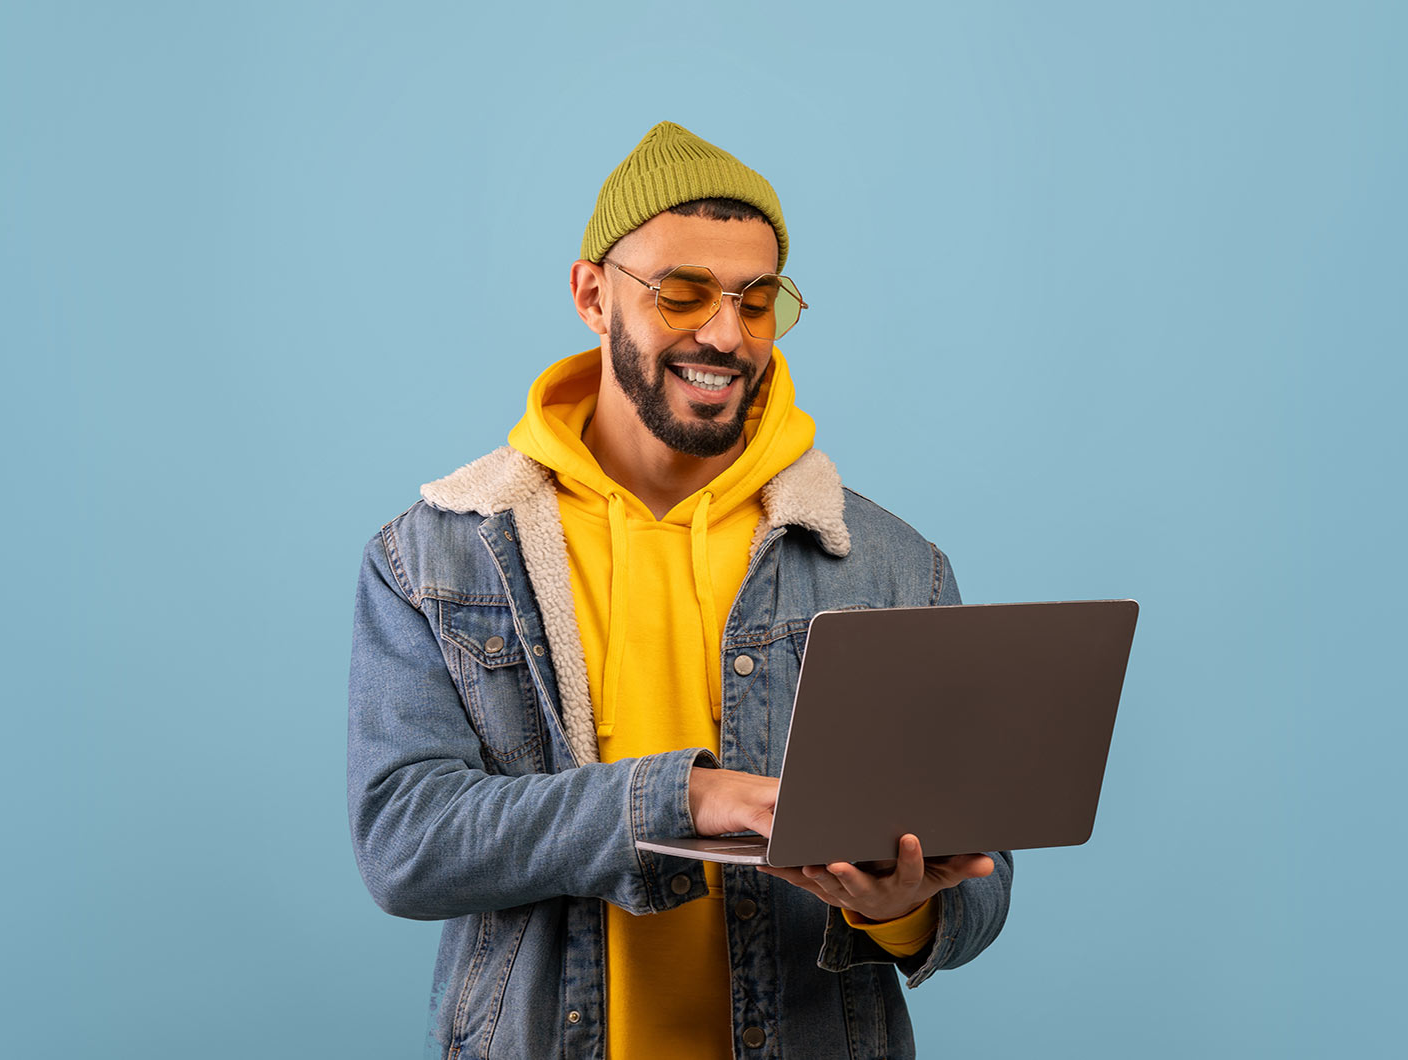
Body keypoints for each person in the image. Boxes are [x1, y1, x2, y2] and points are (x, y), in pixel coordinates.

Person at [347, 121, 1013, 1060]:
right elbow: (405, 842)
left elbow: (983, 881)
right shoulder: (439, 555)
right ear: (592, 295)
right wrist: (685, 800)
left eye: (756, 300)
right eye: (683, 293)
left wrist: (903, 909)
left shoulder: (892, 564)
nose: (724, 334)